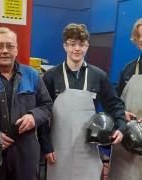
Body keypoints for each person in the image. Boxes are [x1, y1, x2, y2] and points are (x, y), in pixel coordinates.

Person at [42, 23, 126, 180]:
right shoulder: (51, 76)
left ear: (87, 46)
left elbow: (115, 105)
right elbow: (42, 113)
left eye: (81, 44)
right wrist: (46, 146)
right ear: (65, 46)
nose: (77, 49)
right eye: (72, 44)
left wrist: (121, 126)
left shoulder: (98, 76)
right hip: (58, 149)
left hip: (89, 148)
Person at [0, 27, 53, 180]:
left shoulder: (32, 75)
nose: (5, 50)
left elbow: (47, 105)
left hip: (26, 152)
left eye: (10, 46)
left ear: (16, 49)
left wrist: (33, 116)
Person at [109, 18, 142, 180]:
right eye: (138, 36)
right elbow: (115, 102)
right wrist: (123, 112)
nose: (141, 39)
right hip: (126, 137)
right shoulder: (128, 69)